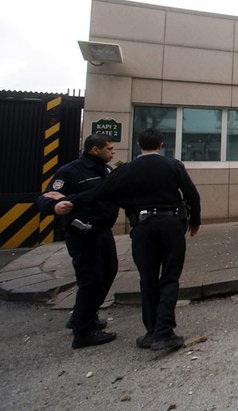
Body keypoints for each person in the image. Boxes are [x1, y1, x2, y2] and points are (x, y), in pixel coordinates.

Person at [62, 128, 201, 351]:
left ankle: (151, 332)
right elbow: (192, 194)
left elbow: (98, 193)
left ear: (138, 145)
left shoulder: (126, 170)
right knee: (170, 277)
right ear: (161, 144)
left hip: (143, 228)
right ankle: (164, 332)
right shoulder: (173, 165)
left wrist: (69, 200)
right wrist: (195, 220)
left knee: (147, 278)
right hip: (171, 226)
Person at [36, 134, 120, 349]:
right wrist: (54, 207)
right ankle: (83, 332)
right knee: (90, 279)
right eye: (109, 149)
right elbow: (46, 197)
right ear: (94, 150)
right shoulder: (70, 171)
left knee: (108, 272)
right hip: (83, 234)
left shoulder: (106, 170)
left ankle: (85, 317)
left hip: (103, 231)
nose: (113, 152)